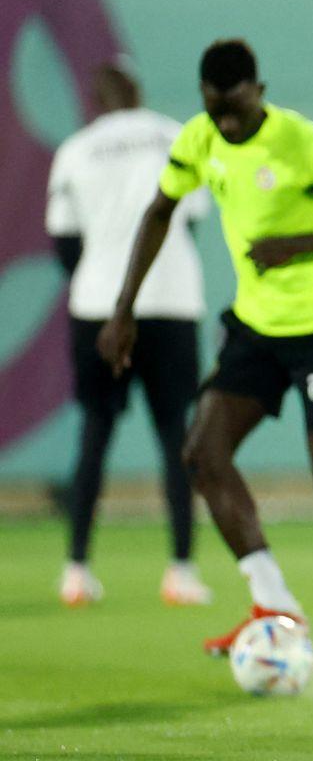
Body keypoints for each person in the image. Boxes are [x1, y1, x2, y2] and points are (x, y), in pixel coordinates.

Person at [97, 40, 313, 692]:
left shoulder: (307, 147)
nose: (225, 124)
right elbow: (159, 212)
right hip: (256, 329)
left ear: (258, 90)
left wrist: (296, 245)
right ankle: (274, 602)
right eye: (214, 110)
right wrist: (123, 312)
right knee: (202, 453)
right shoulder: (200, 138)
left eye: (234, 110)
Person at [46, 61, 211, 608]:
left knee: (94, 433)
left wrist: (105, 286)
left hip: (97, 306)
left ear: (96, 98)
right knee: (175, 436)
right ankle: (181, 570)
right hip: (172, 302)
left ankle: (76, 569)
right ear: (138, 91)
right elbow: (187, 219)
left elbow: (65, 245)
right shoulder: (178, 136)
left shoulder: (75, 150)